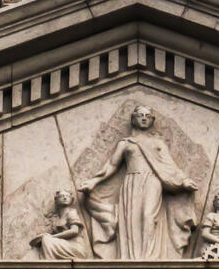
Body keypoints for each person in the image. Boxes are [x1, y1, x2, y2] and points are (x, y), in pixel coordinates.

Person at [78, 105, 198, 259]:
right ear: (133, 119)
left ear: (152, 121)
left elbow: (170, 166)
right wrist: (93, 182)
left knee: (148, 216)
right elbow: (112, 165)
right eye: (140, 115)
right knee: (131, 219)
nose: (144, 118)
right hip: (131, 182)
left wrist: (184, 181)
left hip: (152, 182)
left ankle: (149, 257)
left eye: (147, 116)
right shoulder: (126, 143)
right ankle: (131, 257)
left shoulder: (158, 143)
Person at [31, 189, 90, 260]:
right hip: (64, 243)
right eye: (62, 196)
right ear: (56, 200)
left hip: (75, 246)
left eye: (67, 196)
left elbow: (74, 231)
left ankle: (48, 265)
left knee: (47, 240)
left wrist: (52, 237)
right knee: (42, 242)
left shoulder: (71, 212)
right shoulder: (56, 217)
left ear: (71, 200)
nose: (65, 198)